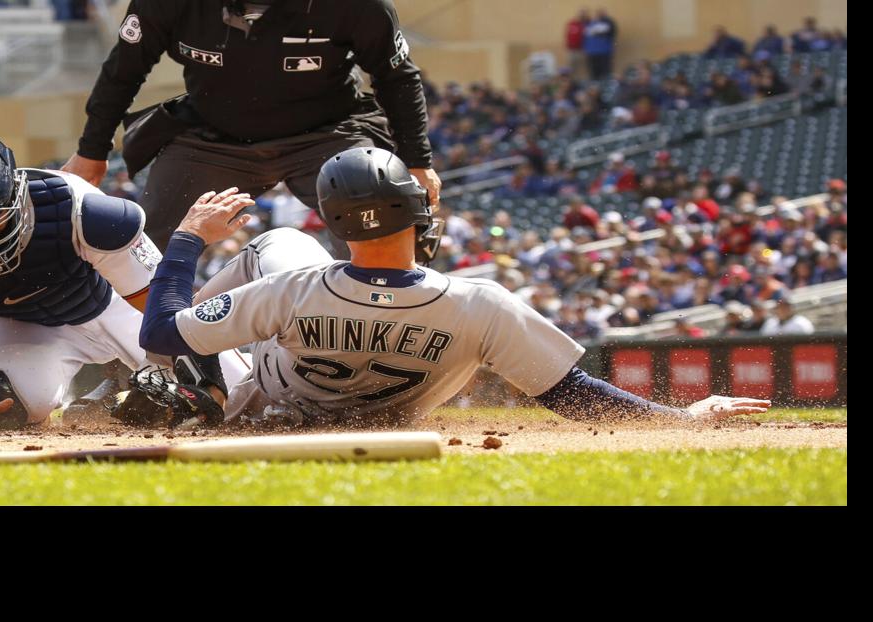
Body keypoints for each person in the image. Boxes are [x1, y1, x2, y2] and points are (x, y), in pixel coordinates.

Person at [133, 148, 771, 426]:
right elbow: (572, 393)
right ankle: (211, 386)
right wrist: (679, 415)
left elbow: (159, 332)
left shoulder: (292, 288)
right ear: (416, 213)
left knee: (272, 247)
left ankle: (208, 391)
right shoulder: (480, 304)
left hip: (266, 400)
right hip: (389, 415)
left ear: (331, 221)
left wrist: (189, 236)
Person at [0, 131, 232, 432]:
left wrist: (210, 379)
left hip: (112, 302)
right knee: (1, 411)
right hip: (14, 327)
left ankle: (127, 382)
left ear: (15, 189)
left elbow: (167, 306)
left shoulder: (81, 207)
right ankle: (111, 401)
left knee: (243, 395)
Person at [63, 0, 441, 253]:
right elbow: (123, 71)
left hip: (328, 134)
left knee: (386, 224)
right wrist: (91, 152)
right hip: (213, 138)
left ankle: (389, 337)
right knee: (146, 246)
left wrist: (418, 162)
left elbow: (397, 78)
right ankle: (148, 359)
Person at [584, 8, 617, 80]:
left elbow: (612, 32)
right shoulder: (590, 24)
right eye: (598, 13)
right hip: (592, 52)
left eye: (601, 13)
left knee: (605, 73)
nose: (599, 15)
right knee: (593, 73)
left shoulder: (609, 23)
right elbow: (585, 35)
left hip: (604, 52)